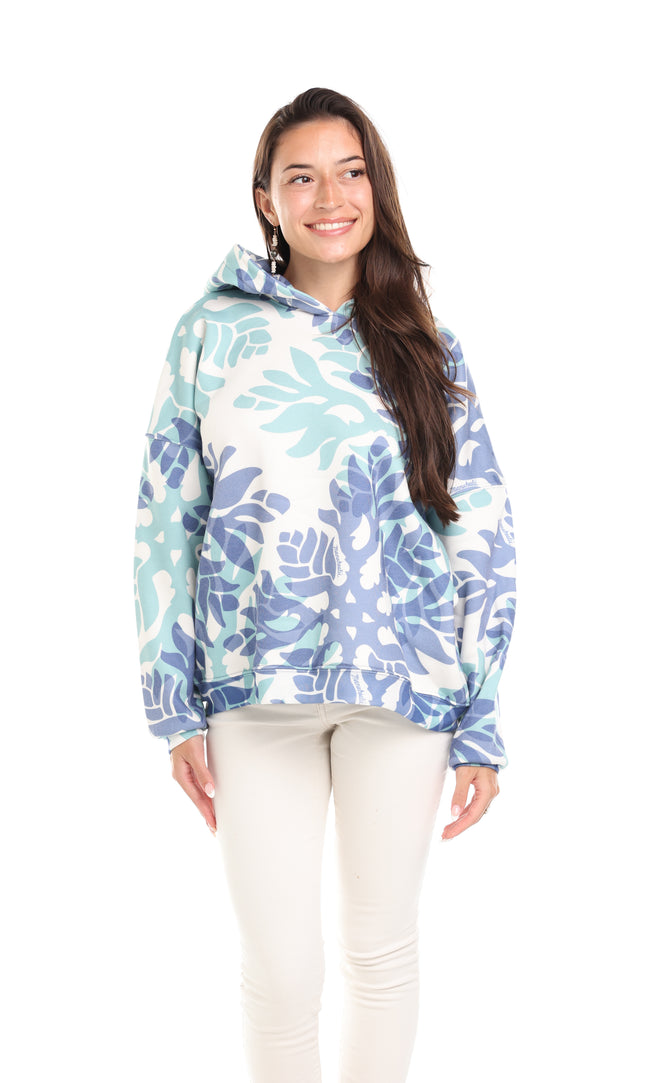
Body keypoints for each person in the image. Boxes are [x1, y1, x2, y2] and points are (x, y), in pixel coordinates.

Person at [134, 87, 516, 1083]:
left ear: (376, 189)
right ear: (266, 200)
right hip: (253, 693)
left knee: (380, 954)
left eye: (349, 173)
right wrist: (172, 706)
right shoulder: (210, 332)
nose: (329, 197)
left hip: (405, 689)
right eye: (300, 178)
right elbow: (165, 521)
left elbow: (479, 532)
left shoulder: (426, 345)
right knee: (279, 971)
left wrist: (479, 715)